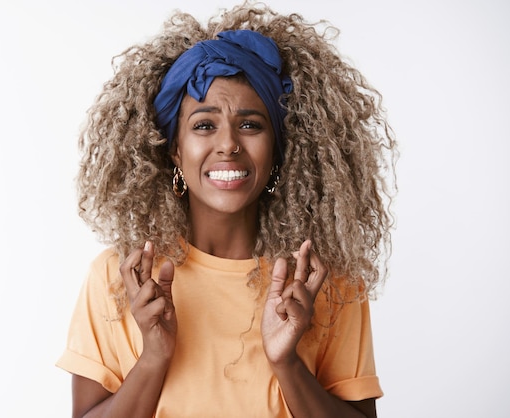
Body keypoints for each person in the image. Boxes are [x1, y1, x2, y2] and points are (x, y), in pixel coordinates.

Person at [57, 1, 397, 417]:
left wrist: (287, 363)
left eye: (251, 124)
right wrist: (154, 357)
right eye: (204, 125)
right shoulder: (121, 277)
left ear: (279, 150)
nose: (229, 144)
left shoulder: (323, 281)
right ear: (175, 152)